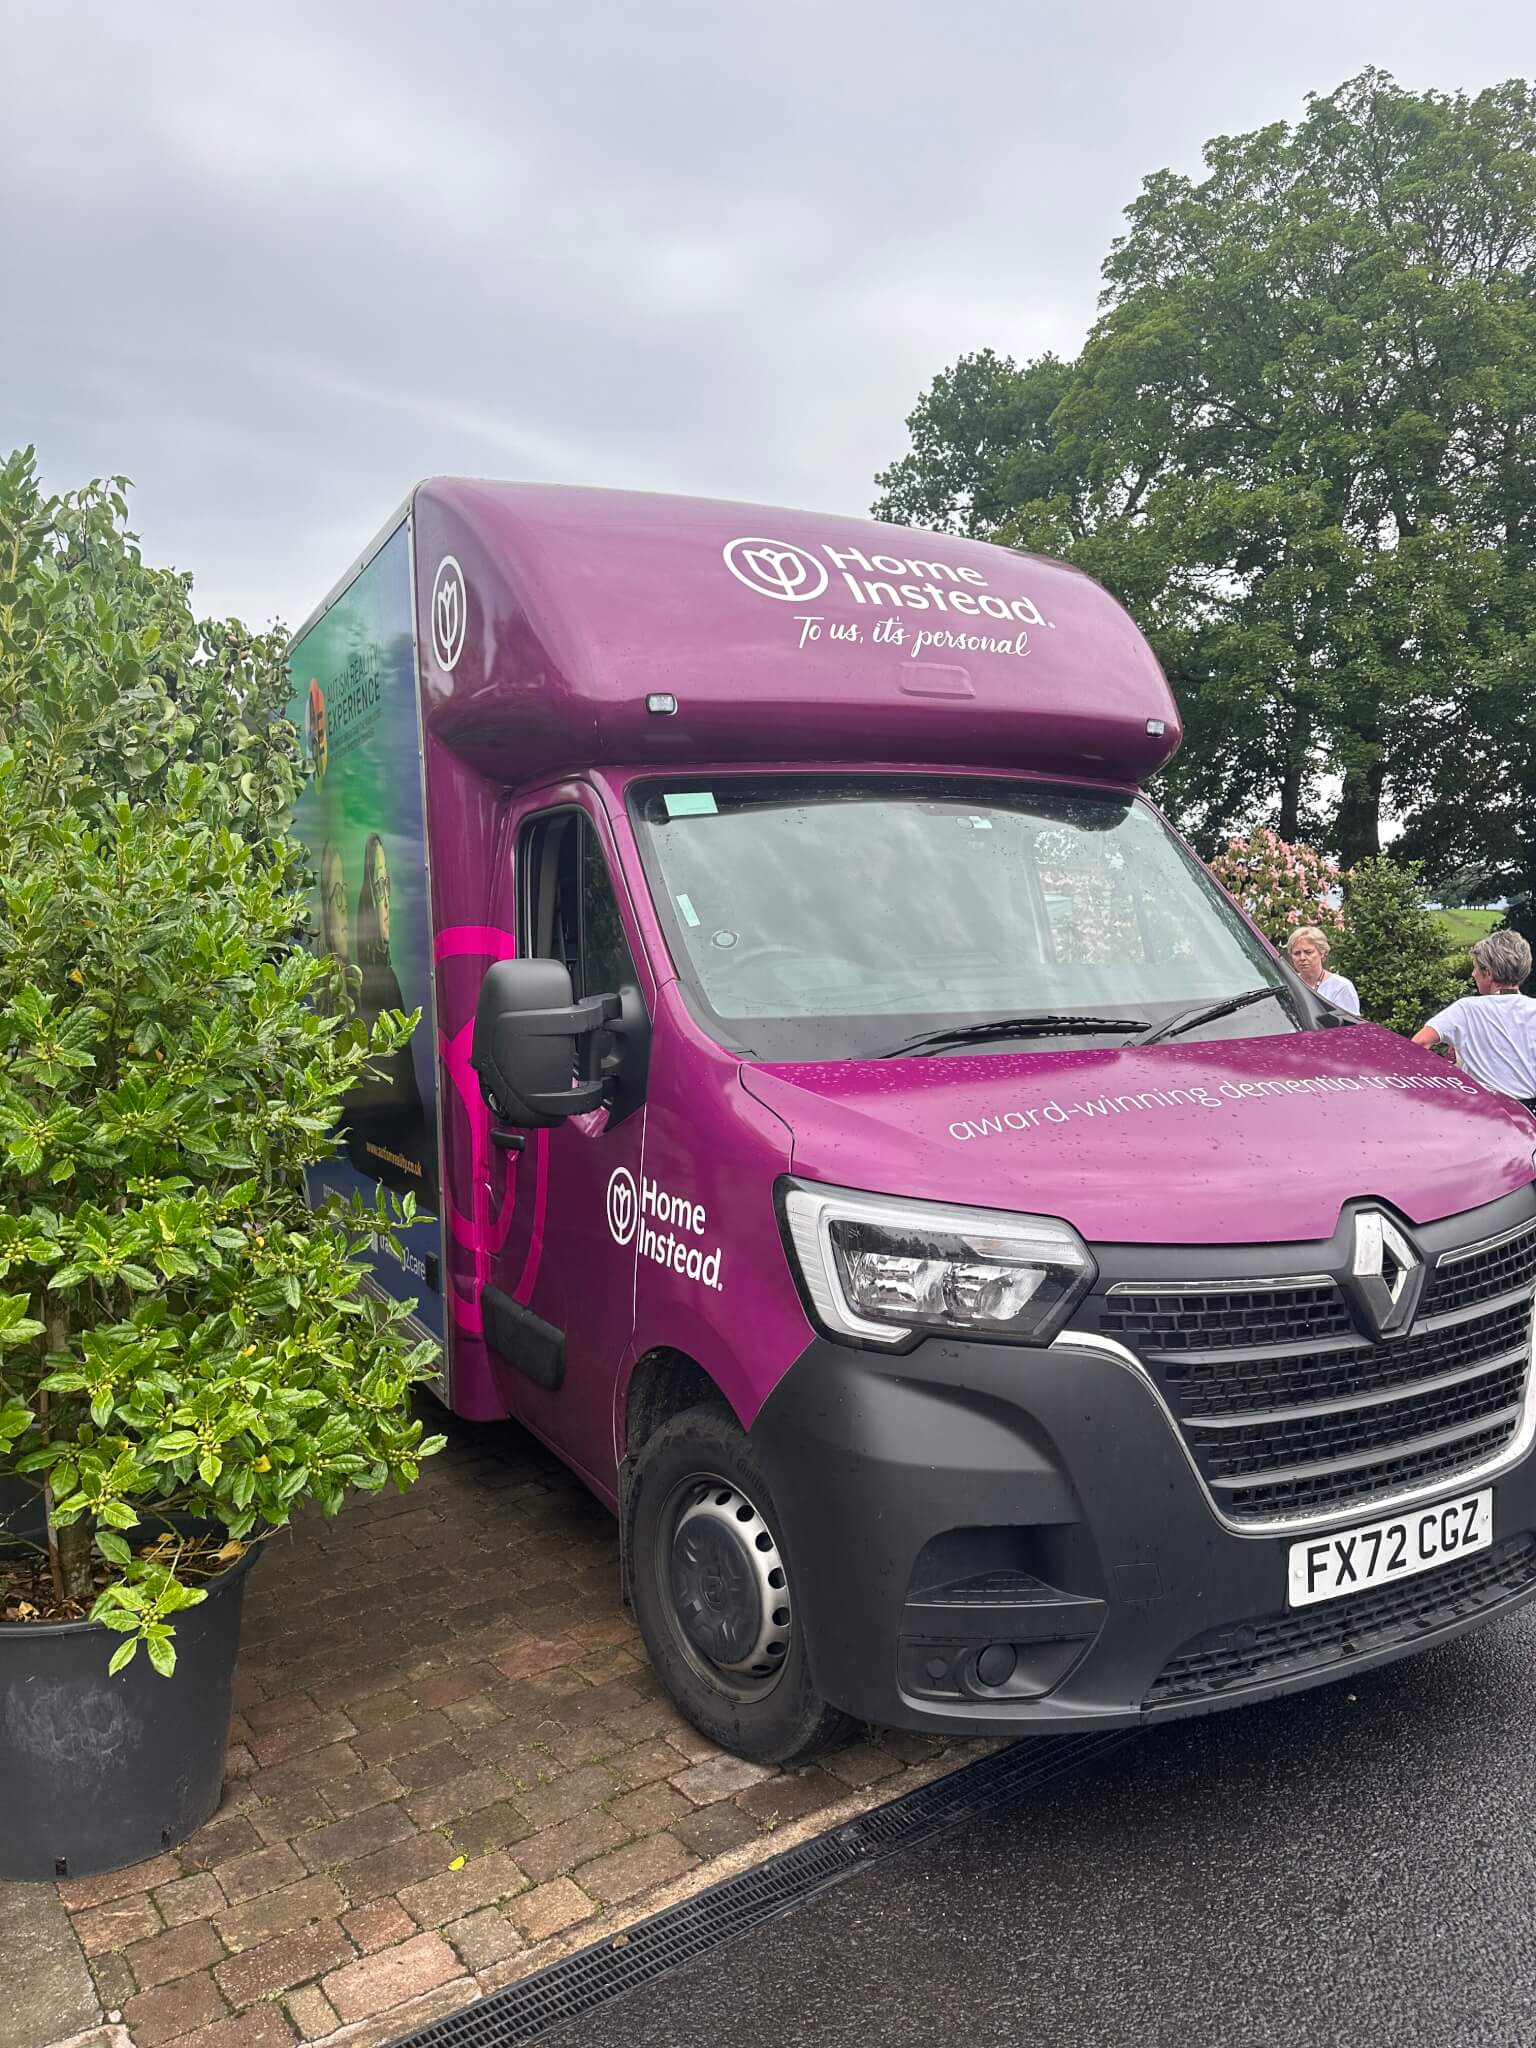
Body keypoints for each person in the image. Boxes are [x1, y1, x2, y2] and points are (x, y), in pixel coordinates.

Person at [1412, 929, 1536, 1111]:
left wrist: (1441, 1080)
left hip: (1483, 1112)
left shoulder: (1466, 1009)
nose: (1473, 974)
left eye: (1476, 967)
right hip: (1529, 1115)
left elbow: (1419, 1043)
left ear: (1489, 973)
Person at [1286, 925, 1360, 1014]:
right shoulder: (1287, 985)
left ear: (1322, 953)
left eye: (1308, 952)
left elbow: (1350, 1026)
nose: (1302, 958)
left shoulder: (1341, 987)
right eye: (1297, 953)